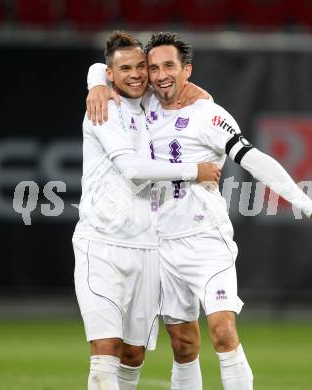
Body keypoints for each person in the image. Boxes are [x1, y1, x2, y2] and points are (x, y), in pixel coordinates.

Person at [87, 32, 312, 390]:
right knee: (183, 344)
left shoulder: (208, 114)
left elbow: (255, 159)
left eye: (170, 66)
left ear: (186, 70)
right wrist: (95, 84)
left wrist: (310, 206)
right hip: (160, 244)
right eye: (154, 67)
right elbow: (108, 67)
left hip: (206, 239)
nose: (160, 74)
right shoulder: (142, 104)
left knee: (222, 331)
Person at [72, 31, 220, 390]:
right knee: (105, 349)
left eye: (142, 66)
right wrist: (194, 171)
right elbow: (134, 171)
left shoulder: (152, 103)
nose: (137, 74)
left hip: (147, 248)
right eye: (126, 69)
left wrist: (203, 95)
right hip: (101, 244)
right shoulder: (102, 109)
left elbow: (180, 88)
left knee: (134, 353)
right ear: (111, 75)